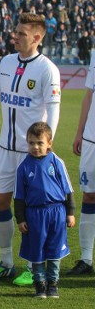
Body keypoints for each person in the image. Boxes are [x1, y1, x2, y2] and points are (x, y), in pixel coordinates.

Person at [0, 13, 61, 286]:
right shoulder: (7, 62)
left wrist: (45, 150)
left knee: (32, 211)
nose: (15, 36)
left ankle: (33, 266)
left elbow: (52, 114)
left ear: (37, 37)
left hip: (31, 153)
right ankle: (6, 262)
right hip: (4, 149)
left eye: (21, 33)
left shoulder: (47, 69)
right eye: (16, 32)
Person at [14, 122, 75, 298]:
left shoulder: (57, 162)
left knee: (55, 250)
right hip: (34, 215)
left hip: (56, 212)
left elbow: (68, 190)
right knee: (37, 250)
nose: (35, 147)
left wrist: (70, 213)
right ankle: (39, 285)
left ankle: (53, 284)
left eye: (40, 143)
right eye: (31, 143)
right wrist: (21, 219)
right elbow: (19, 196)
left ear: (49, 143)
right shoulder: (23, 167)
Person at [67, 52, 95, 275]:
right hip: (91, 139)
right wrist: (80, 131)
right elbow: (89, 95)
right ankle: (86, 259)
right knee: (89, 195)